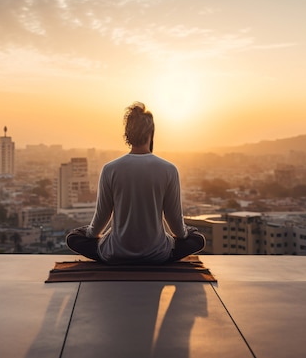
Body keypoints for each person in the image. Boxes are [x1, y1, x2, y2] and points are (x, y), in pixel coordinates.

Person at [66, 102, 205, 264]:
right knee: (197, 238)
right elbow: (173, 220)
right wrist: (185, 234)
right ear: (150, 134)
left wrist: (90, 234)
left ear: (128, 135)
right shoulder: (169, 169)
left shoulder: (110, 169)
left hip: (115, 253)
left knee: (74, 237)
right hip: (157, 254)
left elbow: (102, 216)